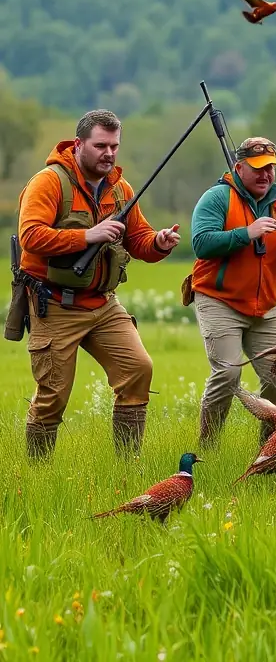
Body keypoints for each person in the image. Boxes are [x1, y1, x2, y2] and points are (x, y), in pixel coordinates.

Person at [15, 109, 181, 459]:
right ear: (79, 144)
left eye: (114, 146)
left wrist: (160, 243)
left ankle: (126, 466)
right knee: (53, 395)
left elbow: (139, 240)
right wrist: (87, 235)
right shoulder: (48, 182)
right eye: (101, 145)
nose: (109, 153)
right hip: (56, 302)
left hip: (103, 303)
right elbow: (30, 236)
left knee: (138, 370)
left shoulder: (120, 189)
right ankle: (36, 474)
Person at [187, 137, 276, 446]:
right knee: (228, 374)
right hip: (220, 300)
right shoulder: (217, 198)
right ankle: (209, 447)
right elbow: (201, 243)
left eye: (270, 167)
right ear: (239, 167)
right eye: (258, 168)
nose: (265, 174)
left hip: (267, 305)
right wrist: (247, 233)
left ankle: (269, 448)